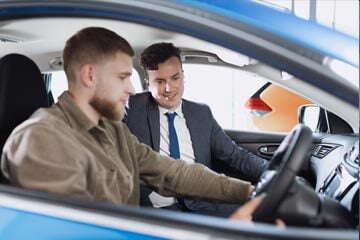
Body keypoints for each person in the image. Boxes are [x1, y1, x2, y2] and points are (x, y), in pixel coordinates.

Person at [1, 27, 256, 215]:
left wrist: (249, 192)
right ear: (90, 75)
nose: (132, 89)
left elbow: (172, 173)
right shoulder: (41, 139)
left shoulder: (114, 132)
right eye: (123, 77)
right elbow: (75, 231)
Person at [124, 42, 268, 217]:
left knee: (266, 214)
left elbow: (235, 155)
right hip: (156, 209)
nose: (169, 88)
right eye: (160, 81)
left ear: (183, 76)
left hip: (201, 203)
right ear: (148, 83)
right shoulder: (131, 107)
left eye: (175, 78)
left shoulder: (201, 113)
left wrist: (273, 173)